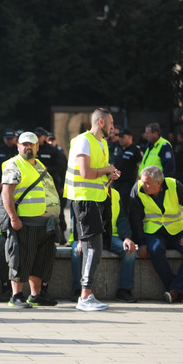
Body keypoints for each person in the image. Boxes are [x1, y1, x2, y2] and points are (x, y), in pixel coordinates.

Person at [64, 108, 120, 312]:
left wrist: (110, 175)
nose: (114, 127)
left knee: (92, 248)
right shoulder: (83, 140)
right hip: (85, 201)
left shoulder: (102, 143)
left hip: (97, 200)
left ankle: (86, 294)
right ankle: (85, 296)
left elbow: (97, 175)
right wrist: (107, 170)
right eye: (112, 122)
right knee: (93, 248)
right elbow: (86, 172)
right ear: (102, 122)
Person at [1, 132, 60, 309]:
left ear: (37, 146)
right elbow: (7, 193)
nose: (28, 147)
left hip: (45, 223)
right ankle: (16, 296)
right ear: (18, 146)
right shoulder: (14, 165)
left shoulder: (39, 165)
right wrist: (13, 217)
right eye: (24, 144)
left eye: (32, 144)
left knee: (40, 260)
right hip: (24, 221)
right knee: (21, 258)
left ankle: (36, 295)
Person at [129, 165, 183, 303]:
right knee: (155, 249)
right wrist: (141, 242)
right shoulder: (137, 189)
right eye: (142, 180)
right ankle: (176, 290)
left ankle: (174, 290)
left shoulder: (175, 186)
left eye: (147, 182)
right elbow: (135, 218)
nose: (143, 184)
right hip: (154, 232)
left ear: (159, 183)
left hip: (177, 232)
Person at [70, 185, 137, 303]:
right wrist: (80, 240)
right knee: (76, 251)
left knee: (129, 251)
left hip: (110, 235)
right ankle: (78, 289)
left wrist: (127, 238)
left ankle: (124, 290)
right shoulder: (83, 192)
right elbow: (75, 220)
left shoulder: (115, 193)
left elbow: (122, 218)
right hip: (85, 236)